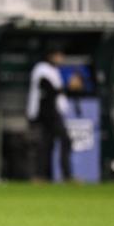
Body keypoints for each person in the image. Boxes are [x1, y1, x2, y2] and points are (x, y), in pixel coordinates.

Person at [27, 46, 72, 182]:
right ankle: (64, 175)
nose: (61, 58)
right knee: (60, 141)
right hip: (46, 113)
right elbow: (48, 90)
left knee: (47, 144)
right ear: (51, 56)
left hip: (51, 112)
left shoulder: (54, 70)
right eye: (58, 55)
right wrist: (67, 87)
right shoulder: (42, 69)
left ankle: (44, 175)